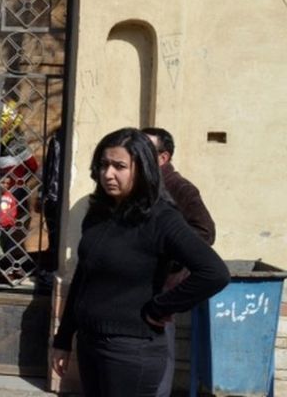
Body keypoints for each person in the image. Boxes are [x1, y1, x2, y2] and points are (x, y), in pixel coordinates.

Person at [51, 128, 229, 397]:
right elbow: (83, 278)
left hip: (131, 352)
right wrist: (63, 338)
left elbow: (214, 273)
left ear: (143, 169)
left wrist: (159, 308)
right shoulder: (98, 214)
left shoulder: (162, 218)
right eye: (103, 165)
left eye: (119, 166)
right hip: (90, 344)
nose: (108, 173)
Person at [141, 127, 216, 397]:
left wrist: (172, 259)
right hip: (139, 284)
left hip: (164, 287)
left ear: (163, 158)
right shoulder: (142, 186)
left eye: (145, 150)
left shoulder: (179, 188)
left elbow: (205, 232)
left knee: (160, 351)